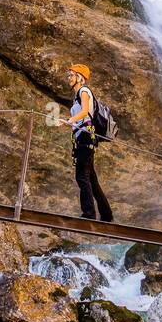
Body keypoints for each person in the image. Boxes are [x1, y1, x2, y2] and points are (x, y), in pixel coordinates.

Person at [62, 63, 113, 222]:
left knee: (81, 176)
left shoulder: (84, 91)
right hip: (82, 138)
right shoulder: (77, 95)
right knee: (91, 179)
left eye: (71, 75)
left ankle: (89, 214)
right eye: (68, 75)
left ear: (80, 78)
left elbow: (84, 112)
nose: (69, 78)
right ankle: (106, 215)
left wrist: (69, 121)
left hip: (86, 138)